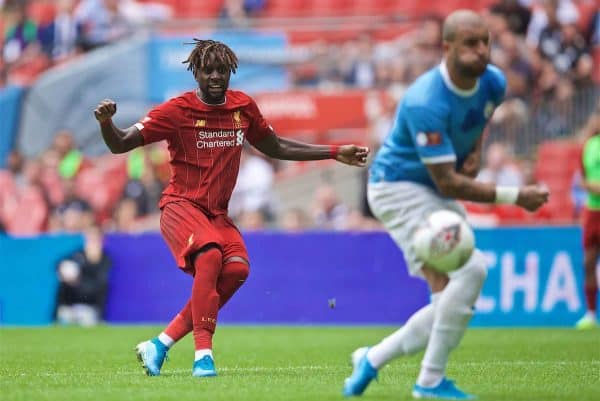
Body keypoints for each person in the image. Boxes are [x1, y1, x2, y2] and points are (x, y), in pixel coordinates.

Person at [93, 39, 369, 378]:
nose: (214, 77)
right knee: (209, 256)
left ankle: (160, 344)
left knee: (237, 269)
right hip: (181, 207)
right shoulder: (176, 111)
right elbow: (121, 143)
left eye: (221, 70)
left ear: (230, 72)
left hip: (216, 214)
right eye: (207, 70)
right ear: (195, 72)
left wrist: (333, 151)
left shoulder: (242, 107)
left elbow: (277, 146)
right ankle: (203, 357)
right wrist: (107, 124)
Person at [342, 10, 549, 400]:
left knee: (450, 298)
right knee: (472, 269)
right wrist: (516, 196)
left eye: (485, 42)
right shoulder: (425, 100)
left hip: (432, 190)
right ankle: (429, 382)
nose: (480, 50)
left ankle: (371, 359)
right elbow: (449, 181)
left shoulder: (494, 83)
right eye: (470, 43)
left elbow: (479, 119)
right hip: (398, 187)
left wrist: (474, 149)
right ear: (447, 47)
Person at [575, 105, 600, 330]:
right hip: (592, 212)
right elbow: (581, 179)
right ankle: (591, 314)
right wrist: (589, 186)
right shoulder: (589, 146)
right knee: (588, 262)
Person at [55, 224, 111, 326]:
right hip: (70, 306)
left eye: (95, 237)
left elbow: (98, 285)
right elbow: (58, 265)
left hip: (89, 308)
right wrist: (65, 275)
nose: (92, 240)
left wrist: (92, 264)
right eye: (90, 237)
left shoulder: (105, 260)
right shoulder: (77, 255)